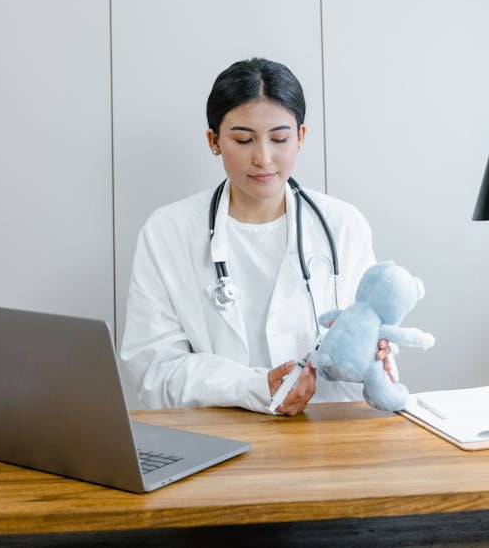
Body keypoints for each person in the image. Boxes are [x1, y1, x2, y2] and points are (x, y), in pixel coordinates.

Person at [121, 57, 391, 416]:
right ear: (214, 141)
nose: (263, 158)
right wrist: (253, 387)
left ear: (301, 137)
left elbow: (368, 351)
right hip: (219, 438)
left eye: (280, 138)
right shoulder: (167, 232)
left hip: (328, 438)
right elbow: (154, 371)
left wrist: (375, 355)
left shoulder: (343, 226)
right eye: (244, 140)